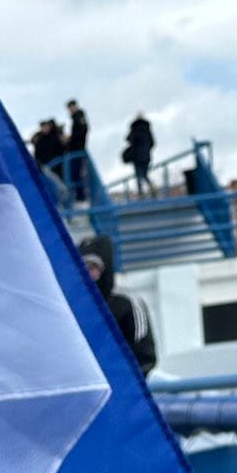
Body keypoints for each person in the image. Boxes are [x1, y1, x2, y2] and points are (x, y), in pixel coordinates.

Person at [79, 235, 156, 375]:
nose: (88, 273)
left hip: (123, 384)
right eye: (83, 267)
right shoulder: (75, 306)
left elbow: (145, 355)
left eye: (93, 267)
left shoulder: (127, 302)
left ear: (106, 268)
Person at [123, 112, 156, 197]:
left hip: (136, 156)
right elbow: (153, 143)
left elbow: (129, 139)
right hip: (146, 156)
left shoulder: (134, 128)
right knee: (145, 174)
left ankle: (141, 193)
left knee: (138, 175)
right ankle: (151, 187)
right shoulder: (147, 129)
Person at [64, 99, 91, 203]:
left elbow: (82, 132)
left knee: (77, 174)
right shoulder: (77, 118)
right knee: (75, 174)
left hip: (77, 150)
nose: (70, 110)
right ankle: (80, 196)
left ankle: (81, 197)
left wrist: (70, 138)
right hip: (76, 150)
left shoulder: (78, 117)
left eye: (71, 107)